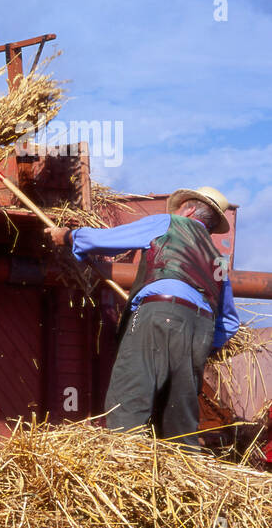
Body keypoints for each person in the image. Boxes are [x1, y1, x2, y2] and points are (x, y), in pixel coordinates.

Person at [44, 186, 240, 450]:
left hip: (160, 312)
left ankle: (123, 465)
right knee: (179, 415)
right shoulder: (218, 260)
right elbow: (228, 322)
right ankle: (184, 476)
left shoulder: (170, 223)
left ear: (190, 209)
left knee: (130, 395)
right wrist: (205, 344)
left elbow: (111, 239)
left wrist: (68, 236)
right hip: (202, 329)